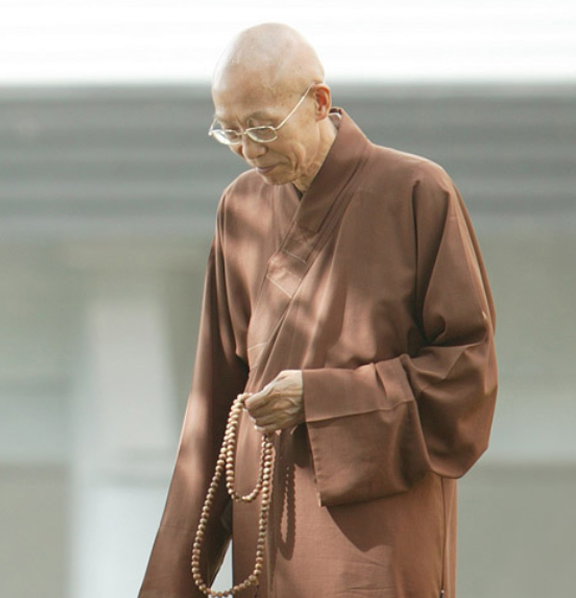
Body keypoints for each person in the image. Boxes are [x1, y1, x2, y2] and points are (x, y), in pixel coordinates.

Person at [139, 23, 498, 598]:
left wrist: (320, 399)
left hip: (374, 535)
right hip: (266, 532)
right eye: (229, 131)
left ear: (318, 102)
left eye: (262, 127)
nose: (248, 149)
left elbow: (466, 378)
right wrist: (170, 582)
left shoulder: (415, 191)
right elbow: (215, 398)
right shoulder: (241, 208)